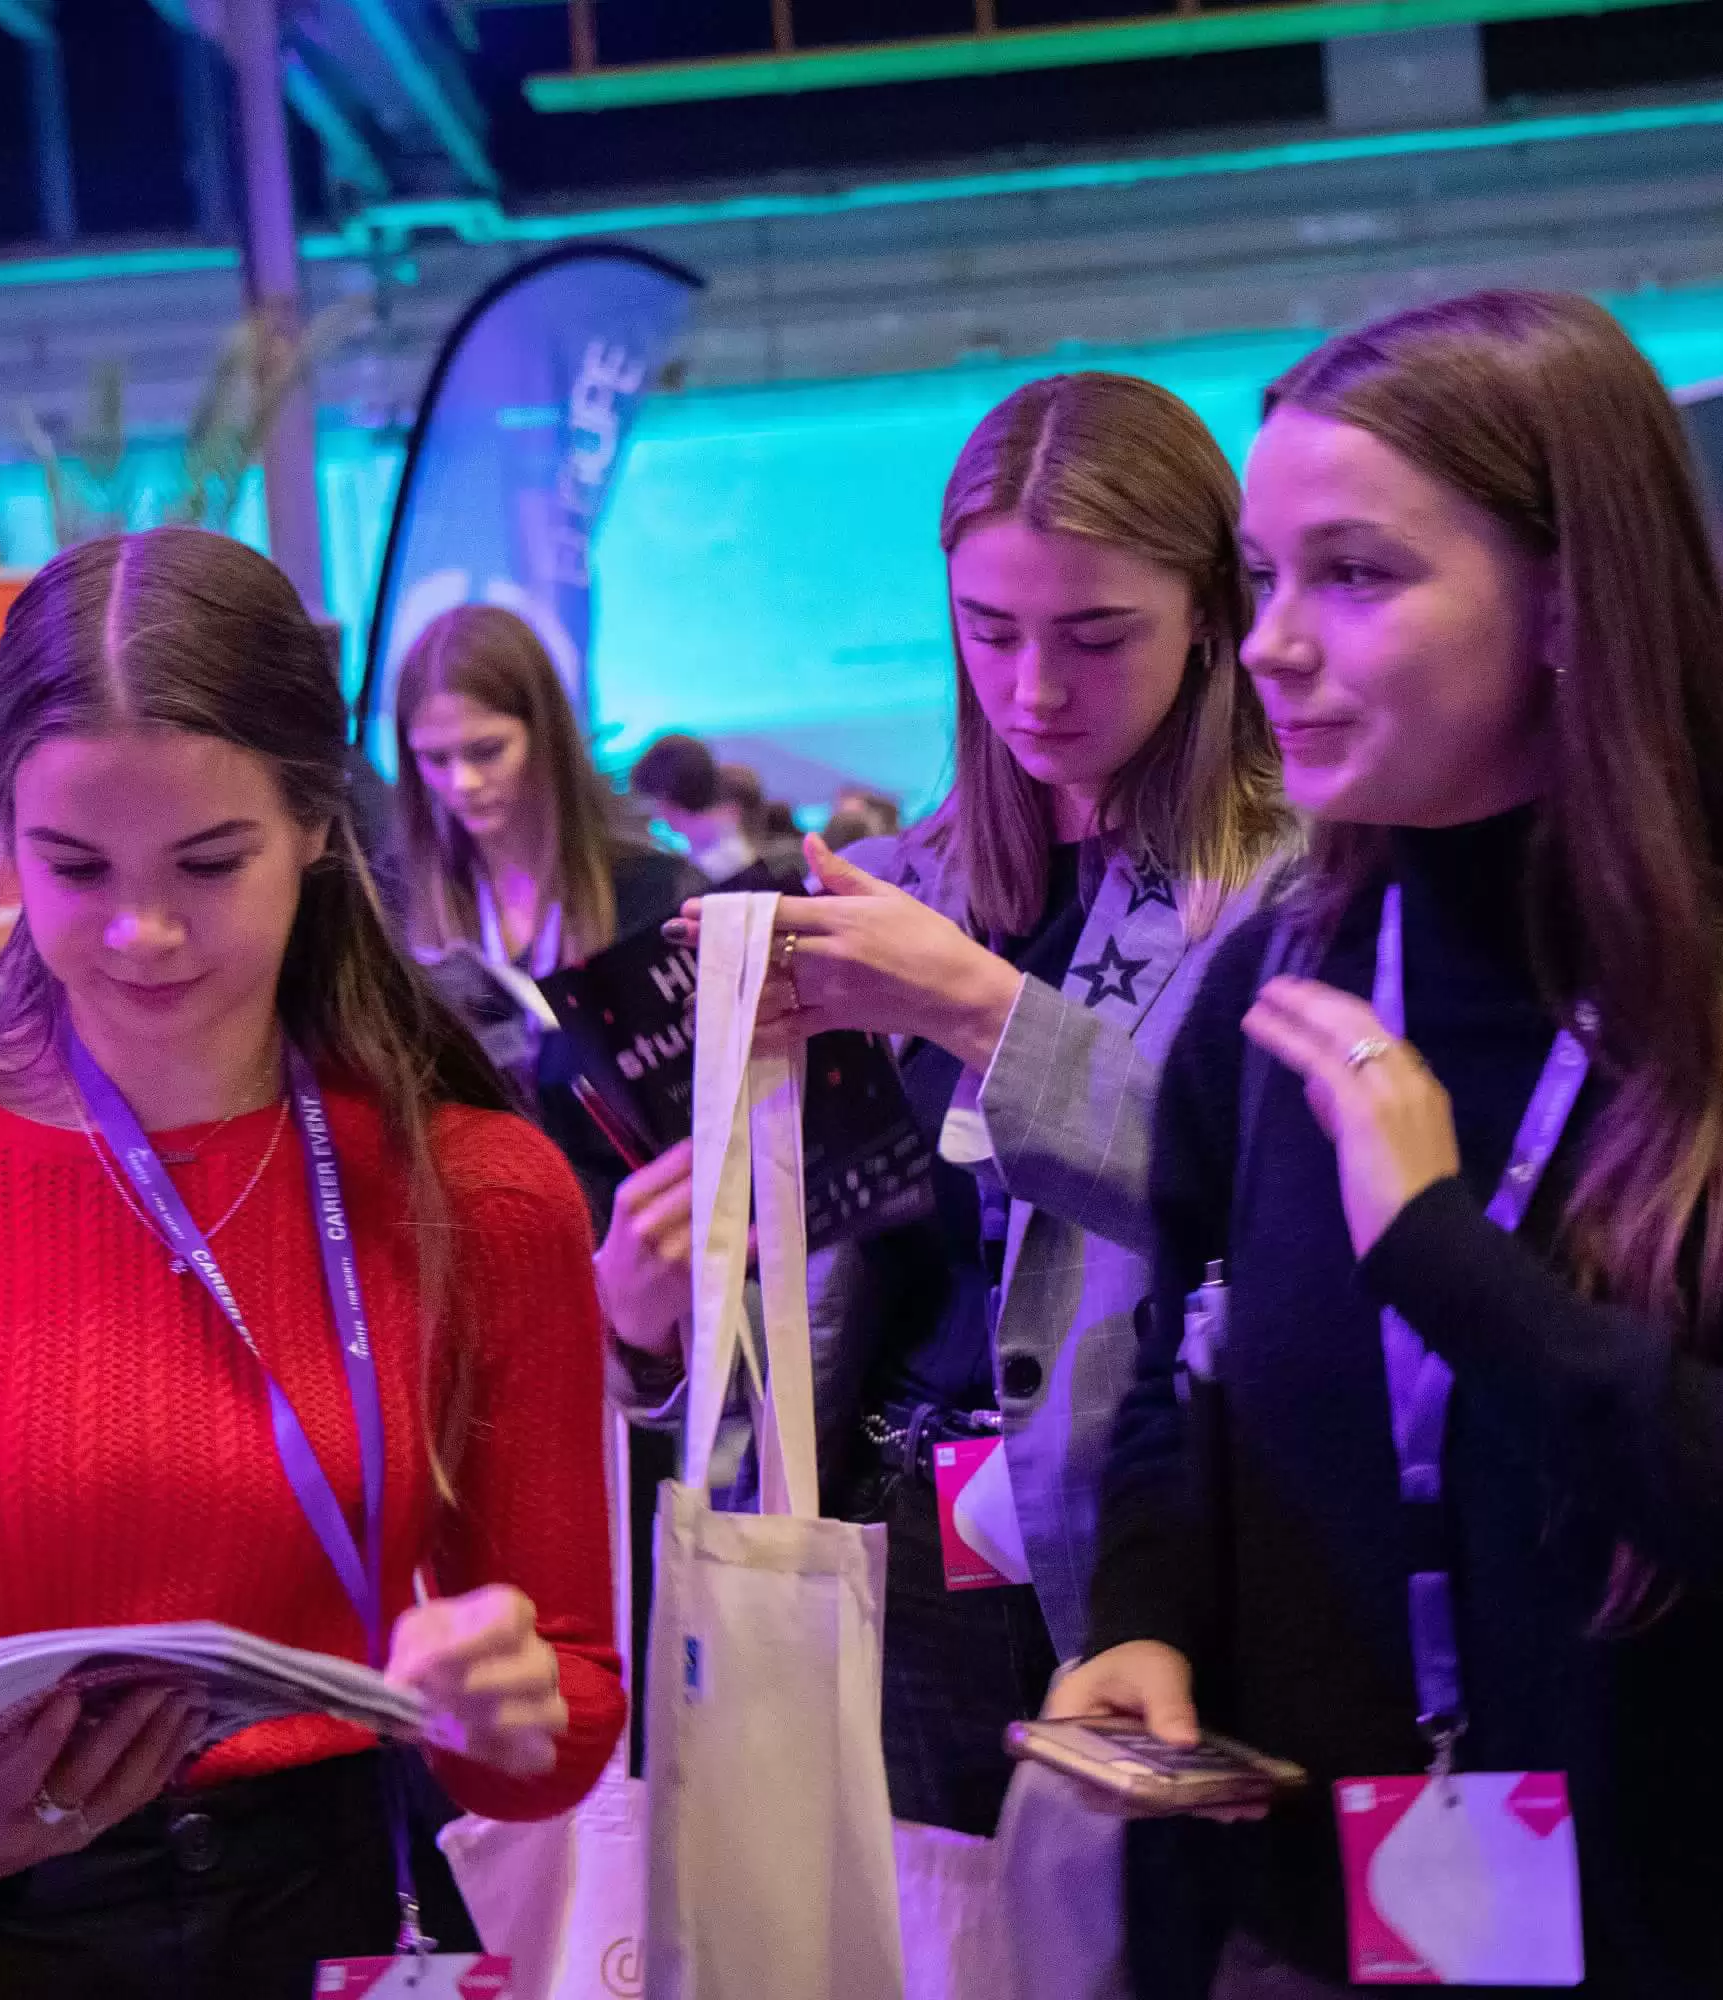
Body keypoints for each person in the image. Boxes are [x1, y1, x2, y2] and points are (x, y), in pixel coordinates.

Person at [1051, 293, 1723, 1998]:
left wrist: (1446, 1253)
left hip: (1722, 1927)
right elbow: (1176, 1369)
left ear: (1576, 601)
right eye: (1265, 578)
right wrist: (1145, 1611)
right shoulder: (1277, 989)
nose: (1274, 643)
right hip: (1317, 1923)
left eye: (1354, 576)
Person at [0, 527, 622, 1990]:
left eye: (209, 860)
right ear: (3, 835)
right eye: (74, 863)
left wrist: (504, 1703)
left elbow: (569, 1713)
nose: (143, 930)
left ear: (315, 824)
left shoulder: (476, 1188)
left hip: (352, 1913)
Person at [599, 370, 1299, 1840]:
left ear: (1214, 614)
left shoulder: (1293, 889)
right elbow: (824, 1272)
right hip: (881, 1550)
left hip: (1144, 1559)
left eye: (1098, 636)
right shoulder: (908, 885)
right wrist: (651, 1303)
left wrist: (974, 1009)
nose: (1036, 688)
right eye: (990, 633)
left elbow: (1257, 1197)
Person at [394, 604, 703, 1217]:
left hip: (630, 1241)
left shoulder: (649, 892)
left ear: (545, 738)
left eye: (486, 752)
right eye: (435, 760)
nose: (461, 784)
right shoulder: (400, 905)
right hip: (473, 1242)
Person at [629, 731, 759, 883]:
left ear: (667, 797)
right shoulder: (726, 847)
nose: (657, 814)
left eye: (656, 800)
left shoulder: (710, 870)